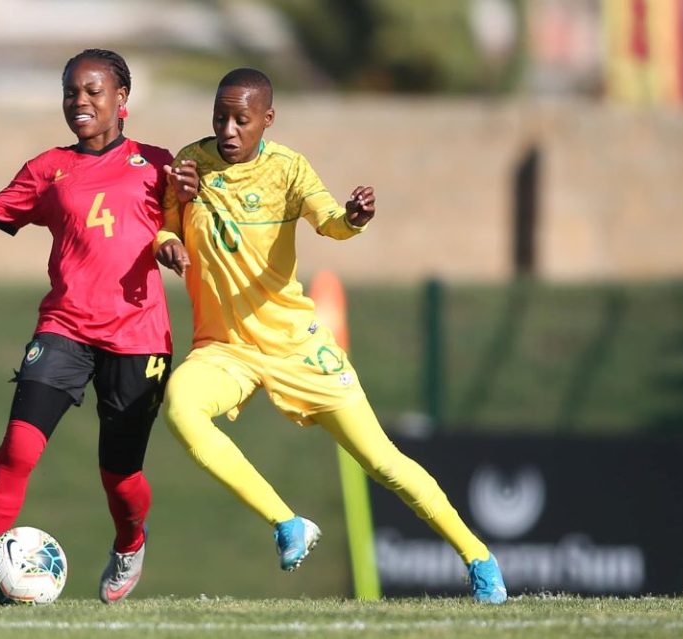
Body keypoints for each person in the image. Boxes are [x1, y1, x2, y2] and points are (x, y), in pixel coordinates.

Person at [154, 68, 507, 604]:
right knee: (181, 407)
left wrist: (354, 217)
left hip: (297, 346)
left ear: (267, 120)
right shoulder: (190, 164)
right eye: (220, 117)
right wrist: (168, 241)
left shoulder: (289, 169)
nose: (227, 130)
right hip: (225, 349)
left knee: (383, 462)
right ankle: (286, 522)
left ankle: (479, 557)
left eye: (241, 120)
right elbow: (167, 226)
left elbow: (330, 221)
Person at [0, 49, 199, 606]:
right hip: (65, 328)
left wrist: (189, 205)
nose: (80, 101)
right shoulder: (48, 169)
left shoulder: (158, 164)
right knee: (18, 449)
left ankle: (130, 541)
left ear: (122, 98)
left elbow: (190, 224)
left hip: (139, 336)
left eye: (93, 91)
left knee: (120, 475)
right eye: (71, 91)